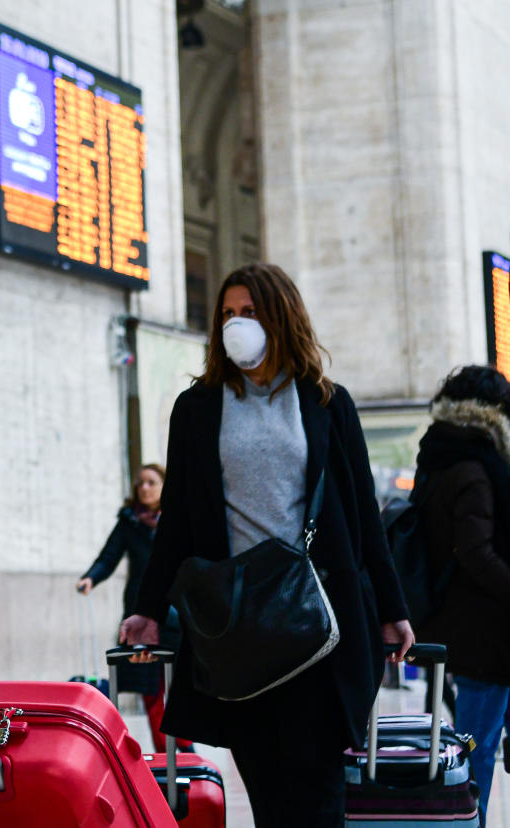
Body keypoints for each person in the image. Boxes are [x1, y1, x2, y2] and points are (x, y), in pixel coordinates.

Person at [119, 263, 414, 826]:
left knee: (320, 794)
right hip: (240, 630)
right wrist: (148, 609)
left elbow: (363, 519)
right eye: (227, 314)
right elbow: (177, 519)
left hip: (318, 621)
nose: (236, 325)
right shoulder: (198, 408)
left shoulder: (328, 403)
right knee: (270, 797)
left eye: (250, 313)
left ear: (280, 317)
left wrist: (394, 610)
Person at [414, 365, 510, 824]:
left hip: (463, 627)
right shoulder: (475, 468)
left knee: (476, 741)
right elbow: (476, 553)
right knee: (478, 745)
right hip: (488, 635)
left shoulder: (439, 458)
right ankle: (468, 821)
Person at [76, 464, 190, 753]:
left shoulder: (179, 519)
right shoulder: (129, 522)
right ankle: (166, 755)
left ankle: (187, 754)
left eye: (152, 482)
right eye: (140, 483)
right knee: (150, 691)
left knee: (178, 689)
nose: (145, 488)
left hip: (179, 618)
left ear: (165, 486)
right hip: (142, 615)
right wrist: (91, 577)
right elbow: (109, 555)